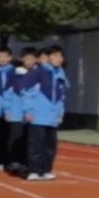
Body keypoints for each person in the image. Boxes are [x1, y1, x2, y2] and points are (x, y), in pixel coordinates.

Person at [23, 46, 68, 181]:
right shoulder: (39, 72)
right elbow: (27, 92)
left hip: (52, 116)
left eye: (60, 56)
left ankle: (46, 169)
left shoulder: (61, 74)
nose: (57, 59)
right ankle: (34, 170)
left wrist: (60, 113)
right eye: (54, 56)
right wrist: (28, 110)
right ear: (48, 57)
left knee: (50, 146)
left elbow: (62, 97)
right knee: (36, 144)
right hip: (38, 115)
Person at [2, 48, 41, 177]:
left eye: (32, 58)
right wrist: (7, 109)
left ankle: (26, 163)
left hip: (32, 113)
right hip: (16, 111)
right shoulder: (14, 73)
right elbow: (7, 92)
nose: (29, 61)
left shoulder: (39, 74)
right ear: (22, 59)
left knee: (28, 139)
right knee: (15, 138)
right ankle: (13, 162)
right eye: (27, 58)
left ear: (36, 60)